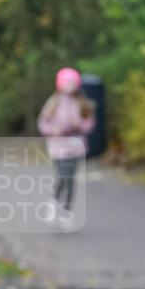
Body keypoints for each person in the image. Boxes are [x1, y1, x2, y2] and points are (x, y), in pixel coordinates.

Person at [37, 67, 96, 230]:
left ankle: (66, 210)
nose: (70, 86)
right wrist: (54, 130)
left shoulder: (82, 103)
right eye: (67, 82)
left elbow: (89, 123)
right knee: (63, 174)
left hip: (76, 144)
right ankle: (54, 201)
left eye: (72, 83)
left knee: (71, 178)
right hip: (58, 145)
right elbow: (43, 124)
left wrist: (80, 126)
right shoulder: (53, 103)